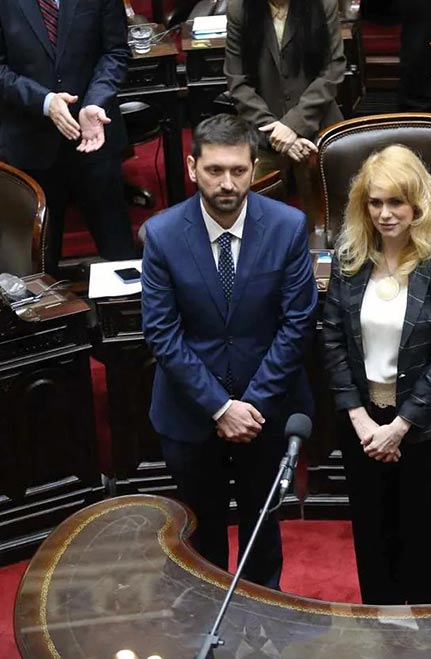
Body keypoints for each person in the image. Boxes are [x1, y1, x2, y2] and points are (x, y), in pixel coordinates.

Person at [141, 114, 318, 589]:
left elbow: (297, 323)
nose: (227, 183)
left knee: (264, 531)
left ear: (254, 167)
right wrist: (220, 407)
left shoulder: (287, 226)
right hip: (191, 414)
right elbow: (162, 334)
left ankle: (267, 624)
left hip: (268, 411)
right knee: (202, 539)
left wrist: (251, 407)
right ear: (192, 165)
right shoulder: (161, 234)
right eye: (215, 170)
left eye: (238, 171)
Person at [322, 144, 431, 605]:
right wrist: (363, 421)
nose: (386, 214)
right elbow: (332, 341)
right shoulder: (350, 259)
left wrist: (400, 428)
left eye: (396, 202)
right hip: (363, 430)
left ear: (417, 204)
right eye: (376, 202)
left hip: (426, 432)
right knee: (375, 543)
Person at [0, 0, 136, 276]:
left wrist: (96, 101)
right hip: (30, 142)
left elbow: (116, 52)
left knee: (120, 256)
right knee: (36, 267)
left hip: (94, 136)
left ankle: (129, 317)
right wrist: (45, 101)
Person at [225, 0, 346, 225]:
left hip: (318, 120)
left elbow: (333, 70)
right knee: (251, 212)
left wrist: (293, 125)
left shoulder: (323, 4)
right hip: (263, 128)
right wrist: (276, 131)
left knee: (332, 218)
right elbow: (237, 82)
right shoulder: (240, 8)